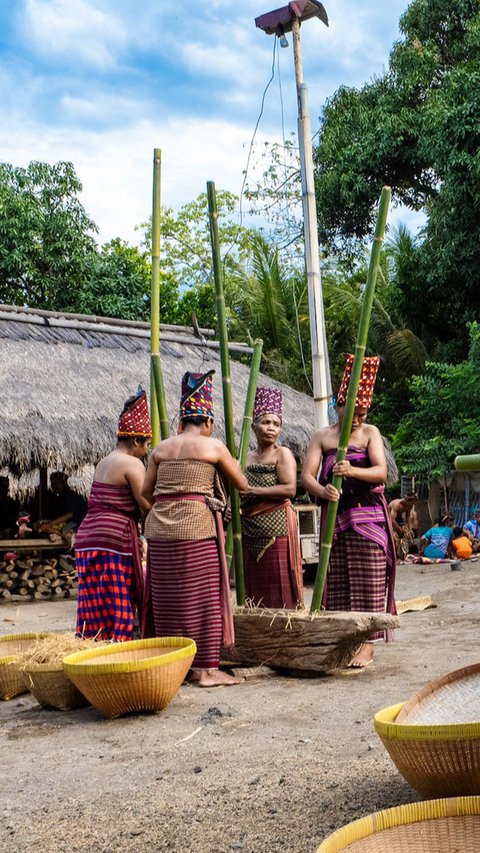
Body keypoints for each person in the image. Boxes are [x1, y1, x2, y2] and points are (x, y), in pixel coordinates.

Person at [142, 370, 248, 688]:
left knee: (170, 599)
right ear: (208, 422)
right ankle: (204, 670)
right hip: (197, 529)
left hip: (159, 531)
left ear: (181, 420)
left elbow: (146, 493)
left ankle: (175, 664)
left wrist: (170, 503)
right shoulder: (213, 447)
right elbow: (241, 483)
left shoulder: (160, 449)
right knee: (203, 599)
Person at [301, 353, 396, 669]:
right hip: (335, 522)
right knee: (338, 581)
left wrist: (352, 471)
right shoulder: (322, 436)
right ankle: (342, 642)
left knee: (368, 580)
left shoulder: (371, 433)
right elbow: (307, 477)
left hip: (367, 520)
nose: (356, 418)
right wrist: (323, 491)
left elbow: (381, 472)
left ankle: (367, 645)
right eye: (351, 411)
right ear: (338, 406)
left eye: (362, 412)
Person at [75, 387, 152, 641]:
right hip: (113, 538)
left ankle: (92, 642)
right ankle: (118, 645)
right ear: (136, 441)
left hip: (88, 535)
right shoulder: (133, 463)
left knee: (95, 597)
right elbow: (145, 503)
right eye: (147, 444)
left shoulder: (103, 462)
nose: (147, 449)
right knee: (117, 596)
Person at [240, 386, 303, 609]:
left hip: (278, 531)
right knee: (255, 587)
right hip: (249, 530)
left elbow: (289, 489)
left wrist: (253, 491)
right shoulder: (245, 458)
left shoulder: (282, 453)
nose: (271, 428)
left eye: (276, 424)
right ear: (253, 425)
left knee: (280, 585)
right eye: (266, 422)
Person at [35, 472, 86, 549]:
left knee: (45, 528)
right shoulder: (58, 497)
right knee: (36, 525)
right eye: (53, 483)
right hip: (64, 523)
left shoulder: (70, 495)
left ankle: (65, 535)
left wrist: (50, 524)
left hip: (75, 523)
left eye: (58, 483)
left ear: (64, 483)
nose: (55, 486)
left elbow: (70, 514)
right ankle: (60, 534)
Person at [388, 494, 418, 561]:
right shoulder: (396, 504)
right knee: (395, 537)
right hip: (389, 519)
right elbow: (392, 519)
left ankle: (404, 553)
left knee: (408, 535)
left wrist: (410, 528)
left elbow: (408, 516)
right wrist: (399, 530)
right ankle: (395, 555)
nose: (412, 504)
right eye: (412, 502)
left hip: (399, 519)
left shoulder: (410, 505)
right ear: (406, 500)